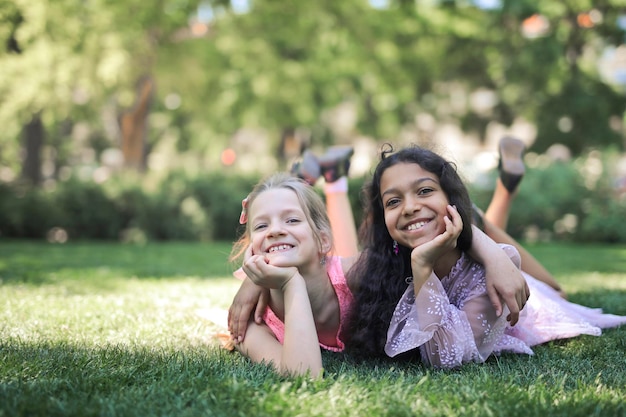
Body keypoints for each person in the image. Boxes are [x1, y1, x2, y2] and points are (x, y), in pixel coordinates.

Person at [227, 165, 531, 377]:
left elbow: (417, 240)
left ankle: (495, 200)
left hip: (500, 298)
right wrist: (289, 283)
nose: (275, 231)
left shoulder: (353, 274)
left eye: (291, 221)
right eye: (262, 226)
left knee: (553, 294)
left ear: (323, 241)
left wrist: (495, 256)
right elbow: (301, 376)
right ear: (250, 245)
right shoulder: (252, 322)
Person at [343, 144, 626, 368]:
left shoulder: (484, 272)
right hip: (473, 240)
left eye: (425, 190)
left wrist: (423, 267)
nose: (409, 207)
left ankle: (490, 204)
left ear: (450, 199)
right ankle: (480, 215)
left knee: (556, 293)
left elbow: (445, 356)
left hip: (523, 303)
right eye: (393, 201)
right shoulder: (377, 268)